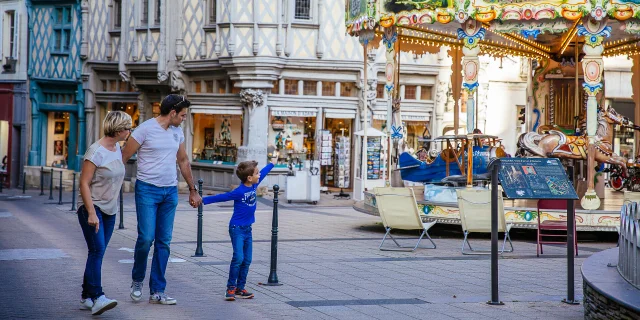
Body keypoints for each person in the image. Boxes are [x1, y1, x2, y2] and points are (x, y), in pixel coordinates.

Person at [122, 94, 202, 305]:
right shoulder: (145, 130)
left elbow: (183, 160)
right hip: (147, 190)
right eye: (183, 115)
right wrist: (112, 186)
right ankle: (137, 280)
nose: (185, 118)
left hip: (170, 192)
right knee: (146, 238)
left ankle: (157, 290)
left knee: (164, 242)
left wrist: (193, 190)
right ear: (173, 113)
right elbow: (123, 157)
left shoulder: (177, 132)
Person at [77, 111, 132, 315]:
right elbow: (83, 183)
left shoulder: (117, 147)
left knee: (96, 252)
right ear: (118, 130)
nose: (130, 131)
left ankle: (85, 297)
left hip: (110, 210)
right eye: (128, 128)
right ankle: (98, 296)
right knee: (97, 251)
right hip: (93, 208)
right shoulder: (95, 152)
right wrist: (91, 212)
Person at [202, 156, 277, 301]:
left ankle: (240, 288)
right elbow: (222, 197)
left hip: (247, 229)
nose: (259, 175)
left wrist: (272, 163)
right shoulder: (239, 191)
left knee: (247, 259)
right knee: (238, 258)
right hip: (236, 228)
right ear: (249, 177)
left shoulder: (254, 186)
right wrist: (203, 200)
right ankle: (230, 289)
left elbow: (265, 171)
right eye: (256, 173)